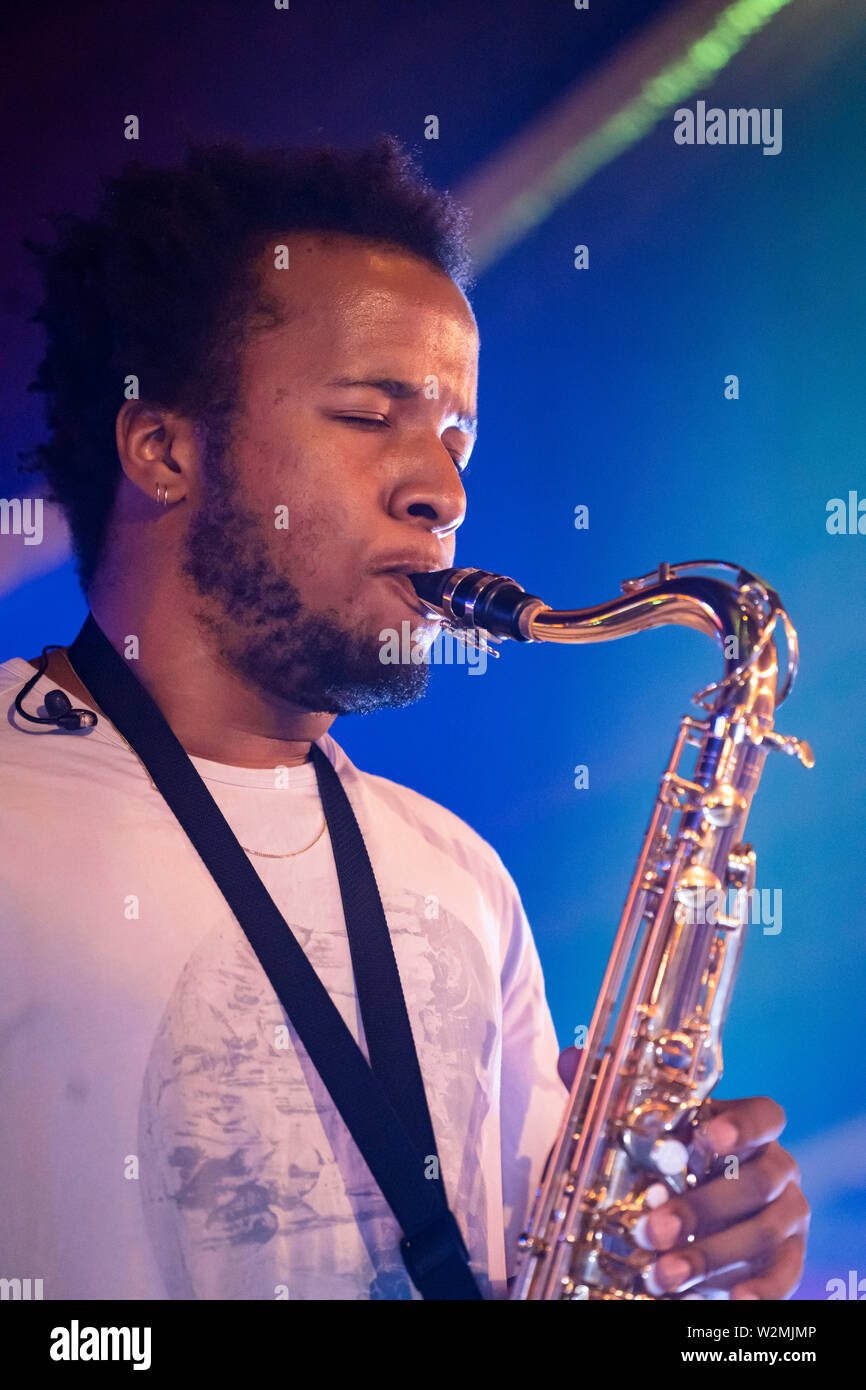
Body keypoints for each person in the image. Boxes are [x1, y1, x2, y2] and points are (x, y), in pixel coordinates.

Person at [0, 137, 809, 1300]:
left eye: (455, 437)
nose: (443, 491)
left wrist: (696, 1267)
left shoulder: (465, 878)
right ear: (164, 446)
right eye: (371, 413)